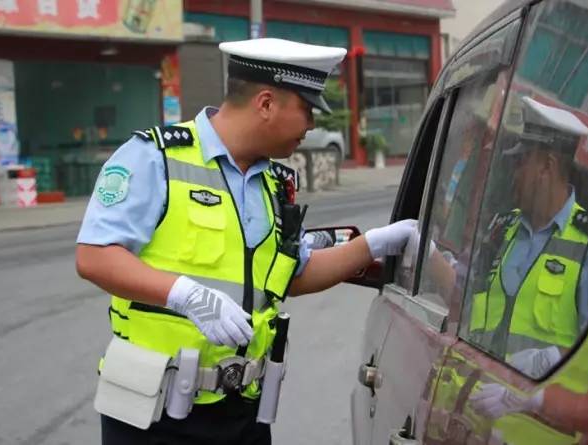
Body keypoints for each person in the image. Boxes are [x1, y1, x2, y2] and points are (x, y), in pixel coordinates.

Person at [76, 38, 416, 445]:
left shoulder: (274, 182)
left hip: (244, 413)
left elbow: (289, 276)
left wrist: (374, 244)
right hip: (154, 416)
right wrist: (184, 294)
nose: (311, 125)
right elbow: (95, 256)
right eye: (307, 110)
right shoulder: (155, 158)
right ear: (266, 103)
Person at [458, 97, 588, 420]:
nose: (513, 173)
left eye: (521, 161)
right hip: (482, 416)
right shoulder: (501, 231)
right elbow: (459, 295)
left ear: (547, 167)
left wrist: (550, 358)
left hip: (547, 423)